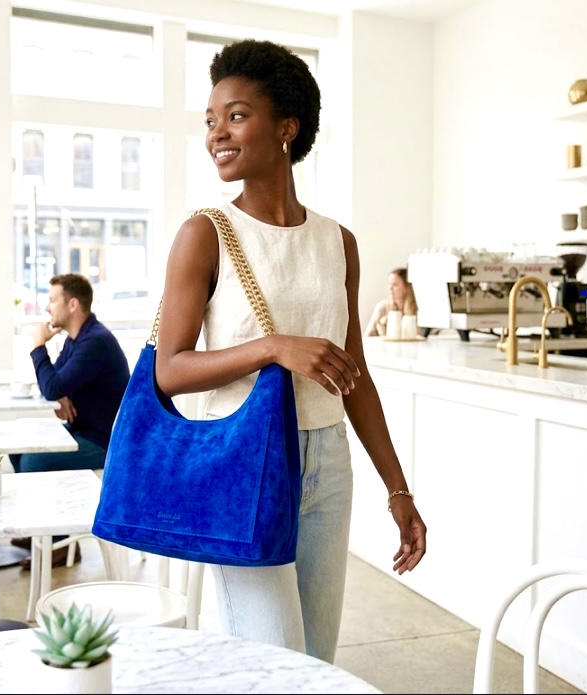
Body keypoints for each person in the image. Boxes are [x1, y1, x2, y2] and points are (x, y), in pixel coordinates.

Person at [153, 39, 426, 664]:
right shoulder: (204, 233)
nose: (217, 132)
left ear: (287, 128)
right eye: (211, 120)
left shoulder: (339, 243)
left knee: (315, 662)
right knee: (274, 655)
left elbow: (353, 377)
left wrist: (399, 490)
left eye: (237, 114)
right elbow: (169, 371)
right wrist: (271, 348)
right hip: (242, 460)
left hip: (329, 464)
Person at [8, 273, 130, 569]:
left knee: (34, 462)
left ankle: (60, 543)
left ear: (73, 304)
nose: (47, 308)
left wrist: (38, 346)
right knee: (17, 447)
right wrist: (62, 395)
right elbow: (54, 385)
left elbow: (51, 385)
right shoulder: (78, 340)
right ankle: (47, 532)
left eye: (52, 300)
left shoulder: (94, 342)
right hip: (82, 430)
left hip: (104, 441)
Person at [364, 267, 418, 337]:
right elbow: (368, 336)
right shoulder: (382, 307)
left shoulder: (418, 309)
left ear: (407, 287)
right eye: (389, 284)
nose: (390, 288)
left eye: (395, 285)